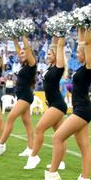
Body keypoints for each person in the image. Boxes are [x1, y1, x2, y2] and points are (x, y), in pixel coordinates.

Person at [41, 27, 91, 180]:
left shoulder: (90, 67)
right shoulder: (83, 68)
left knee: (57, 137)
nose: (77, 54)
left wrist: (87, 26)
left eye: (79, 52)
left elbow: (86, 44)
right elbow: (83, 43)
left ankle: (53, 174)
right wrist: (81, 27)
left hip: (82, 110)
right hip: (80, 108)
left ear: (87, 54)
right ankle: (85, 178)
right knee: (84, 145)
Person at [0, 35, 37, 157]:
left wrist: (24, 34)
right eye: (20, 53)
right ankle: (30, 148)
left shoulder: (32, 64)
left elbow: (26, 47)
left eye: (23, 53)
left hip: (25, 96)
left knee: (11, 117)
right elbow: (18, 48)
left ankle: (1, 145)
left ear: (29, 53)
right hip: (22, 96)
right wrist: (15, 38)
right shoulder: (24, 65)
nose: (20, 54)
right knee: (27, 123)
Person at [24, 36, 66, 170]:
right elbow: (55, 45)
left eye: (49, 54)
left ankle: (34, 156)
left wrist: (60, 37)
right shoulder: (50, 67)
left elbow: (59, 47)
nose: (47, 56)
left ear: (56, 55)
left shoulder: (59, 67)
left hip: (57, 105)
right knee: (60, 135)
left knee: (39, 128)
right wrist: (55, 36)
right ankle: (61, 162)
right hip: (52, 104)